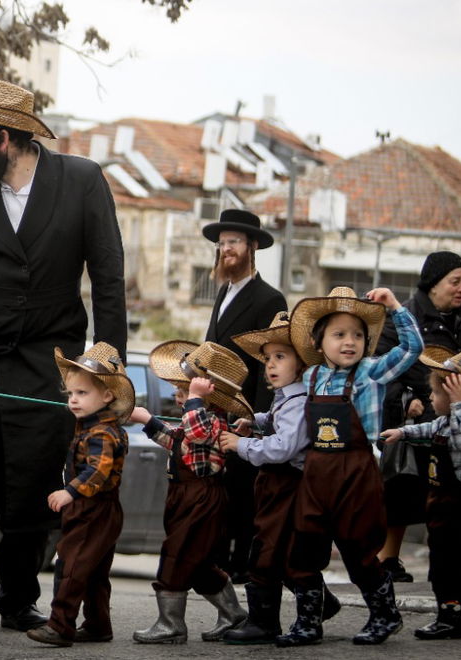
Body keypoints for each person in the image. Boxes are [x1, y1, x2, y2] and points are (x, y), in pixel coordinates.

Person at [0, 78, 126, 630]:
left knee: (31, 489)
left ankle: (17, 601)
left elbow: (107, 276)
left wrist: (109, 365)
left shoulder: (81, 181)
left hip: (45, 362)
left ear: (4, 138)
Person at [278, 286, 421, 647]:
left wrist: (395, 308)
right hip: (316, 474)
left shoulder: (372, 371)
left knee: (359, 548)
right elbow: (291, 417)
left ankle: (385, 615)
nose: (350, 342)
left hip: (356, 473)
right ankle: (308, 623)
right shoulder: (310, 377)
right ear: (318, 340)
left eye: (358, 335)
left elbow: (412, 350)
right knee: (303, 547)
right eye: (339, 334)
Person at [375, 251, 461, 583]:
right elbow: (383, 368)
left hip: (456, 417)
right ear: (433, 284)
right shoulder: (406, 316)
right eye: (454, 281)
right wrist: (405, 402)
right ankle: (387, 559)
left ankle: (451, 567)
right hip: (417, 416)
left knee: (450, 498)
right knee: (401, 488)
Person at [220, 311, 338, 644]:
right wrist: (254, 422)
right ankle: (320, 605)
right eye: (268, 358)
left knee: (273, 552)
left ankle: (266, 621)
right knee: (274, 551)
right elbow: (275, 420)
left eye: (280, 357)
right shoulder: (287, 398)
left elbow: (284, 446)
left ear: (301, 363)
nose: (270, 365)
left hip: (291, 490)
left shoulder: (300, 402)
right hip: (277, 489)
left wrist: (241, 444)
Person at [380, 346, 461, 639]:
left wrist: (460, 406)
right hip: (440, 504)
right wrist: (401, 433)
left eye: (436, 394)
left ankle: (450, 614)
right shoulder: (444, 422)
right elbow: (425, 430)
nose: (431, 399)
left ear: (456, 397)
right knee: (445, 562)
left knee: (451, 566)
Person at [132, 341, 249, 644]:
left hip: (201, 499)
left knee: (177, 555)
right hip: (183, 496)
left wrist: (195, 399)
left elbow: (196, 433)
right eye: (182, 393)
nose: (178, 397)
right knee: (196, 562)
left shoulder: (211, 420)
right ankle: (233, 614)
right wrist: (147, 420)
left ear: (209, 398)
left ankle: (170, 624)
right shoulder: (195, 418)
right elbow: (178, 441)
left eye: (183, 393)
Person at [201, 208, 288, 581]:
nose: (226, 250)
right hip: (215, 409)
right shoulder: (223, 292)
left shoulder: (270, 298)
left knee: (244, 491)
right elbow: (211, 349)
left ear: (252, 246)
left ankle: (242, 562)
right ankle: (219, 558)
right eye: (222, 244)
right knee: (220, 489)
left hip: (248, 413)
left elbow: (272, 365)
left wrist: (258, 418)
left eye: (233, 242)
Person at [26, 344, 132, 648]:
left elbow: (98, 471)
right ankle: (98, 624)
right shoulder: (93, 426)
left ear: (108, 396)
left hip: (93, 509)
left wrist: (69, 492)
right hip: (100, 510)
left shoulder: (100, 433)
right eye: (71, 394)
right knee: (95, 570)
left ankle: (60, 626)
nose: (73, 400)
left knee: (70, 567)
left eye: (82, 394)